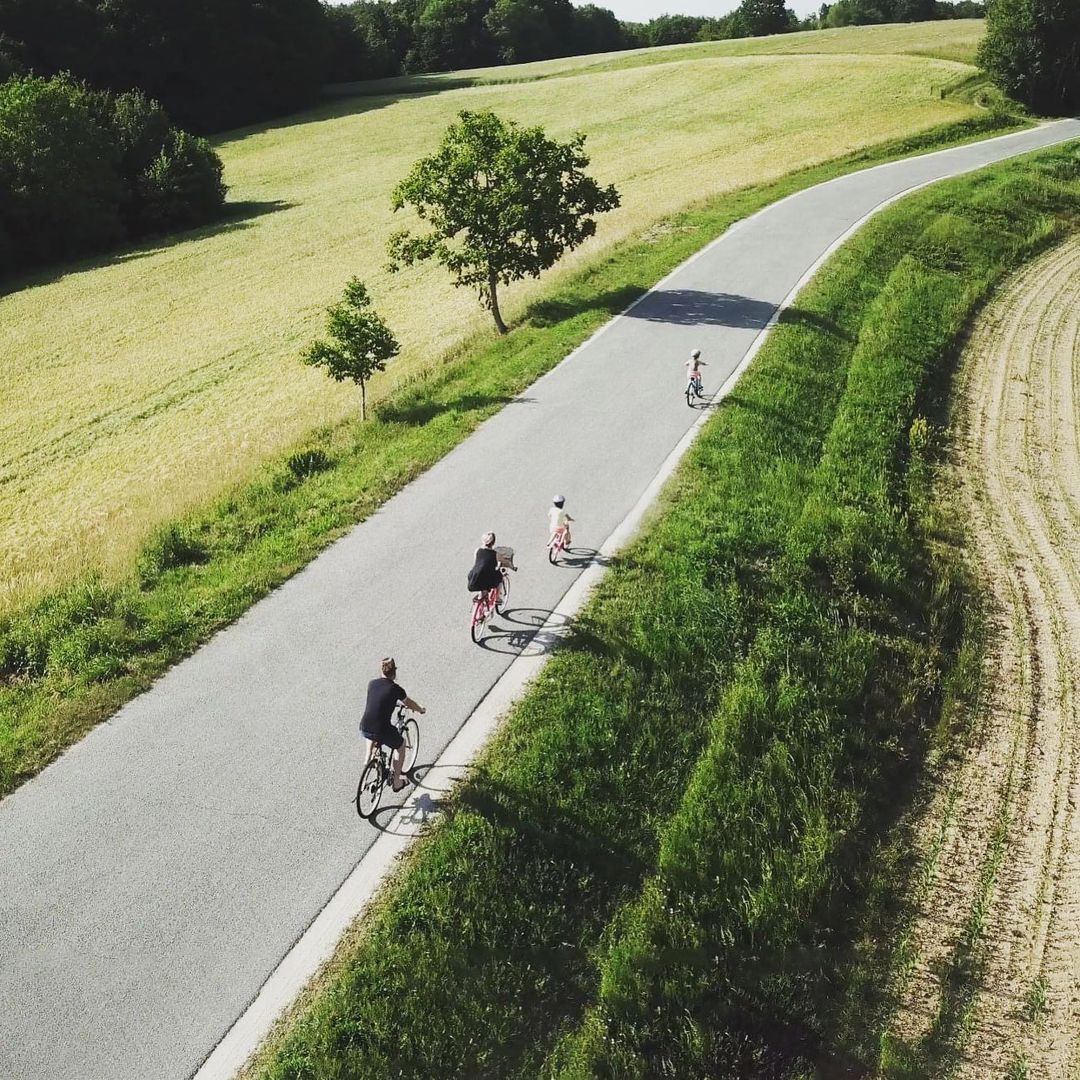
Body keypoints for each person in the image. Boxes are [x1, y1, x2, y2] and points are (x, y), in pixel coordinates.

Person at [360, 657, 425, 792]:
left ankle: (368, 758)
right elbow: (408, 702)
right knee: (401, 745)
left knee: (371, 731)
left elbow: (378, 701)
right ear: (394, 672)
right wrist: (420, 709)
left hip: (365, 726)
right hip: (382, 729)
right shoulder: (395, 689)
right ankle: (396, 782)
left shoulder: (372, 684)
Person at [467, 531, 506, 598]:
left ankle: (481, 595)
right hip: (487, 580)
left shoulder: (477, 550)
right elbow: (499, 565)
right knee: (500, 577)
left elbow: (477, 563)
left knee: (481, 573)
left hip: (473, 579)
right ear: (493, 543)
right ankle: (497, 598)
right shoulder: (495, 554)